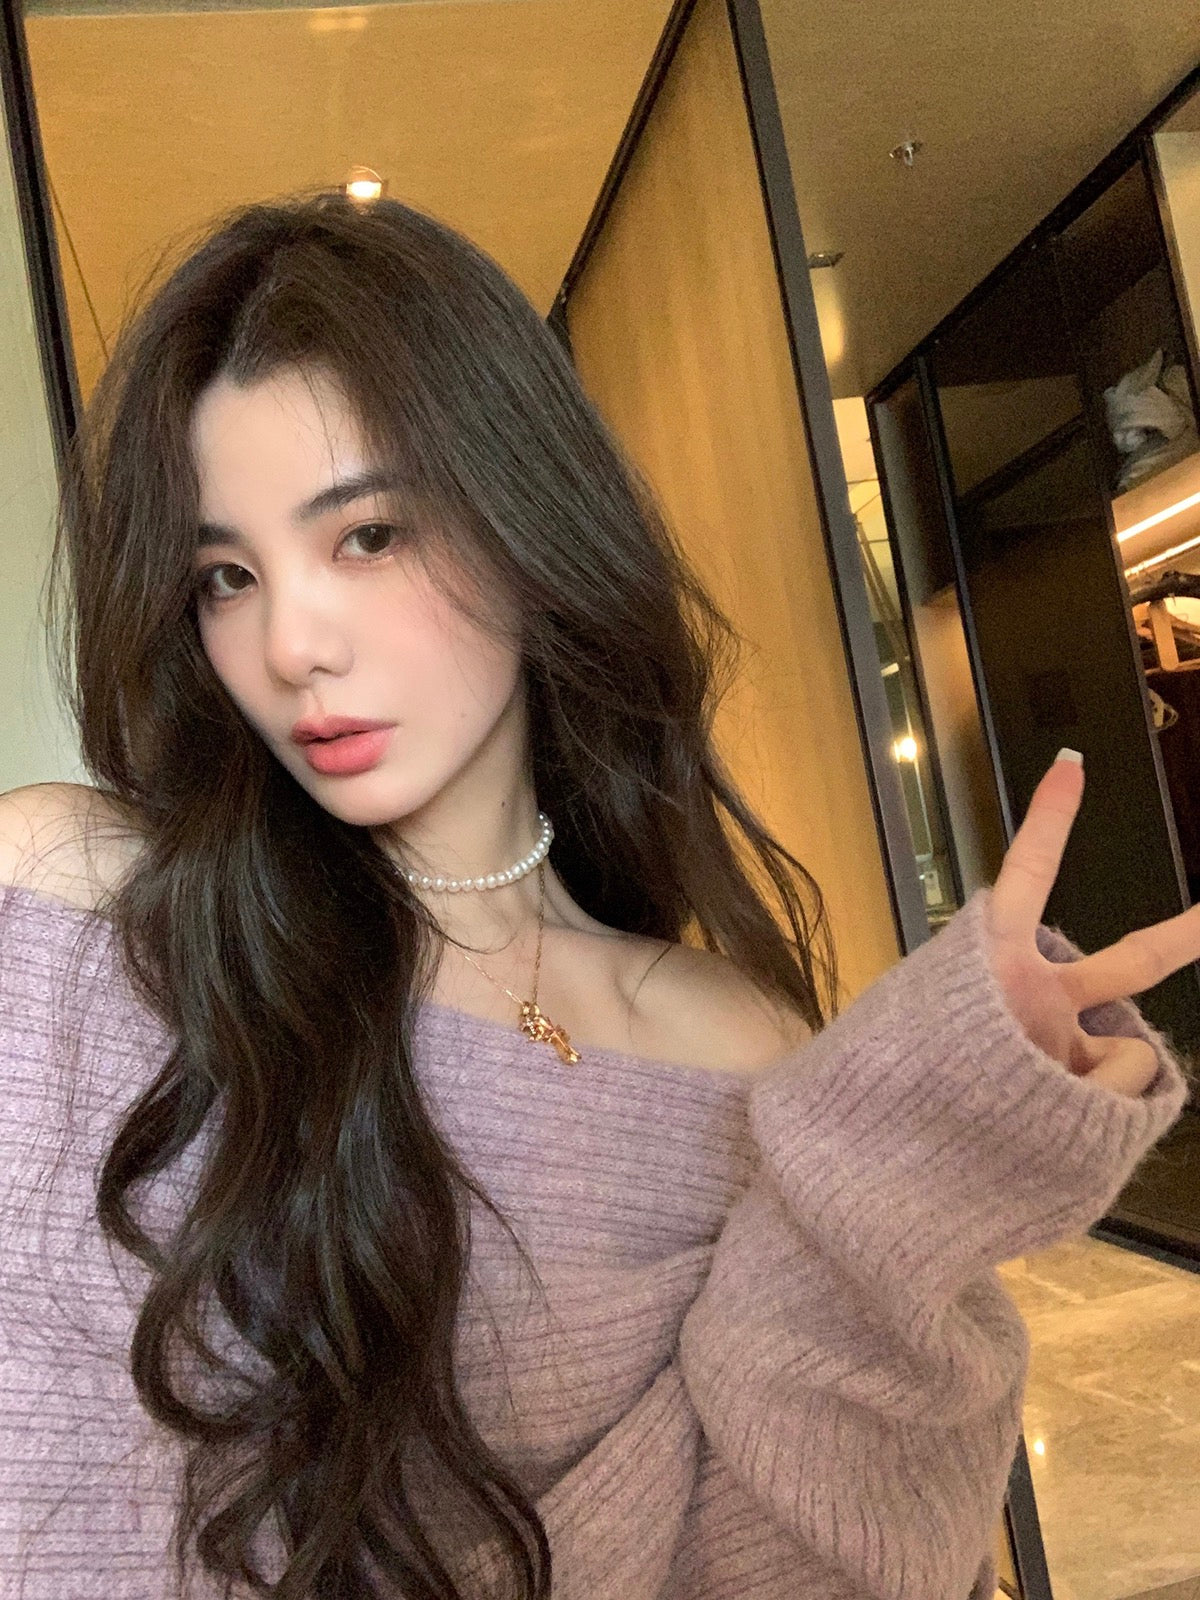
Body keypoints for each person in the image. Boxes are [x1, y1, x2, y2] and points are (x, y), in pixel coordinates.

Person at [0, 190, 1193, 1600]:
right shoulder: (79, 905)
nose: (289, 642)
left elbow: (805, 1555)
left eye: (367, 535)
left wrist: (919, 1151)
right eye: (225, 575)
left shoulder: (727, 1040)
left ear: (524, 522)